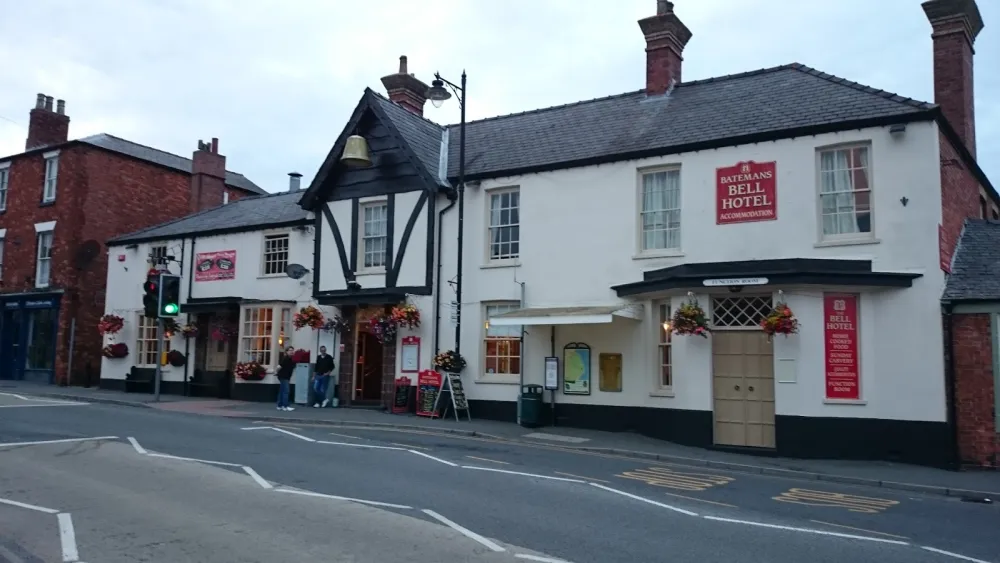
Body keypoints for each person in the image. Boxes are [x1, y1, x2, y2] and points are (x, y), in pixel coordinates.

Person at [276, 346, 296, 411]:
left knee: (282, 391)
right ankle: (285, 406)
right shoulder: (286, 358)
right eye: (290, 350)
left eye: (292, 350)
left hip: (285, 376)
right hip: (284, 377)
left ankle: (279, 405)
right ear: (286, 351)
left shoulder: (290, 359)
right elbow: (279, 366)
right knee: (286, 391)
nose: (292, 351)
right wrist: (277, 372)